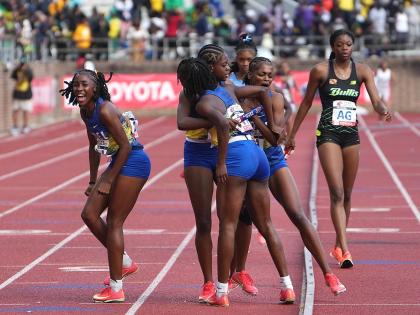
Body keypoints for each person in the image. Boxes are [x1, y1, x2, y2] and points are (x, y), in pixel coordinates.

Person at [177, 44, 292, 307]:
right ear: (208, 68)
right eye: (224, 64)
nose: (229, 68)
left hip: (228, 152)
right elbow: (182, 122)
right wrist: (218, 120)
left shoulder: (227, 87)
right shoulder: (191, 94)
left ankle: (230, 279)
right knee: (205, 222)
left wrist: (271, 126)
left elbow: (264, 93)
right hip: (201, 152)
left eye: (228, 63)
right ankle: (211, 282)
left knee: (236, 219)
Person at [285, 29, 392, 269]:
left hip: (351, 135)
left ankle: (337, 244)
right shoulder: (321, 71)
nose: (345, 48)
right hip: (328, 134)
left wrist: (382, 108)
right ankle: (344, 249)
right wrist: (292, 134)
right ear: (333, 47)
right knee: (337, 193)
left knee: (348, 193)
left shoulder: (363, 71)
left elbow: (374, 99)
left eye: (349, 44)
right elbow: (305, 103)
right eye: (340, 44)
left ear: (353, 46)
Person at [241, 56, 346, 297]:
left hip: (272, 158)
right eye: (261, 75)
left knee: (298, 214)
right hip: (249, 162)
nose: (267, 79)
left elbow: (274, 138)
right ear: (250, 76)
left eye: (270, 75)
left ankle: (328, 274)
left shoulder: (275, 99)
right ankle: (285, 285)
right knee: (259, 223)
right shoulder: (239, 98)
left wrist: (254, 117)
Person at [59, 69, 151, 302]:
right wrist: (93, 180)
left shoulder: (105, 109)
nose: (79, 89)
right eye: (76, 85)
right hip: (118, 161)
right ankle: (125, 261)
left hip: (134, 162)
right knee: (89, 214)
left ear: (96, 88)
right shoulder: (85, 110)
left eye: (85, 85)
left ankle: (116, 288)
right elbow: (93, 146)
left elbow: (127, 147)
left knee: (114, 222)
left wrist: (108, 180)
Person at [10, 61, 33, 136]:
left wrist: (25, 69)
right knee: (15, 111)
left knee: (26, 111)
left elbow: (31, 76)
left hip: (26, 94)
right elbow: (12, 76)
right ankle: (15, 127)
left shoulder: (28, 71)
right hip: (17, 94)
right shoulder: (17, 70)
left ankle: (25, 126)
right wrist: (17, 68)